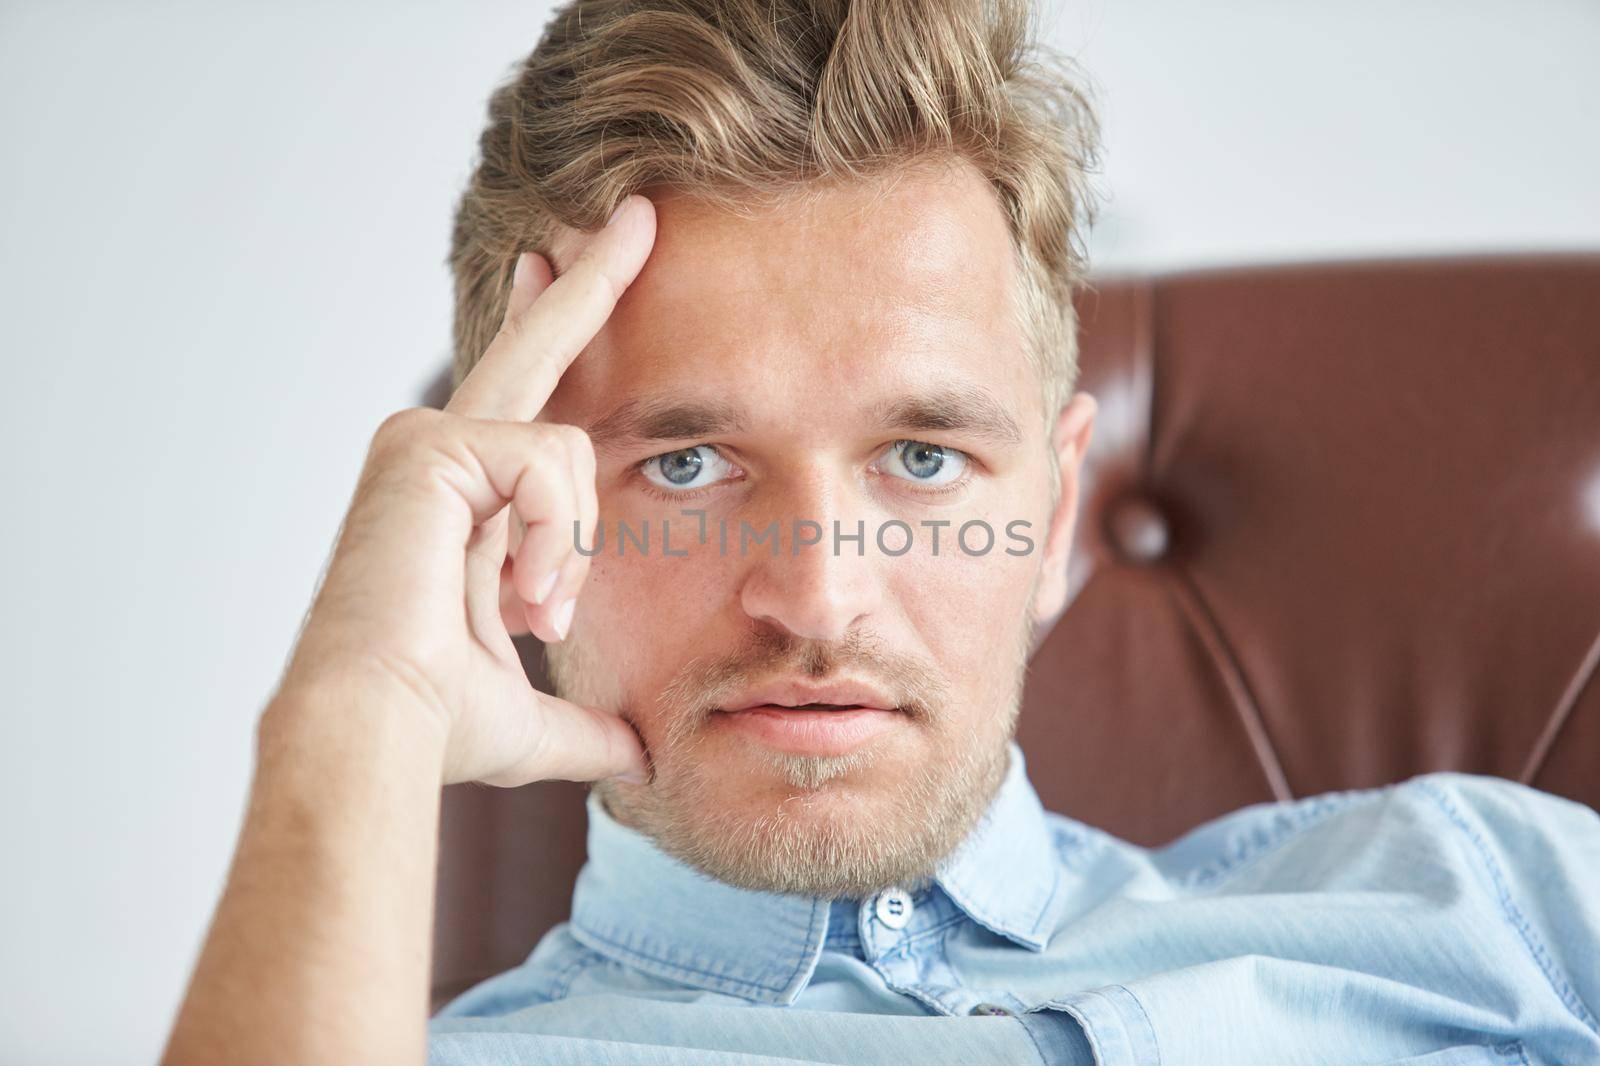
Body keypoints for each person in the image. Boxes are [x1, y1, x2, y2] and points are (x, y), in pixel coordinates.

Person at [160, 0, 1600, 1063]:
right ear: (516, 530)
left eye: (923, 454)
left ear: (1050, 512)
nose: (818, 598)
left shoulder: (1492, 898)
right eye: (686, 461)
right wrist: (356, 711)